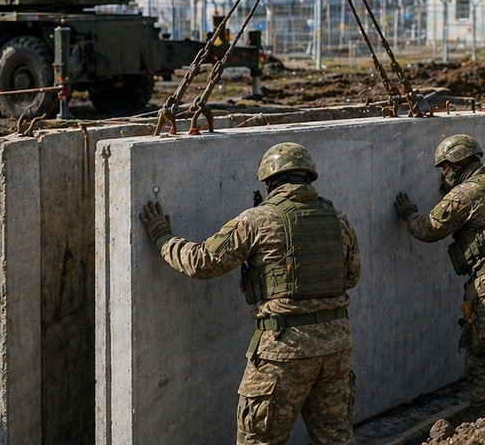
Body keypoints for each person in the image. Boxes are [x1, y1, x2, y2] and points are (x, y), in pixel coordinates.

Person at [139, 143, 359, 445]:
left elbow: (201, 262)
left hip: (283, 350)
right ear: (309, 178)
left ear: (269, 182)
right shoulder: (339, 219)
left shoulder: (256, 220)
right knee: (336, 439)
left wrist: (162, 237)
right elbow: (351, 277)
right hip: (336, 346)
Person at [393, 134, 485, 423]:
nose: (443, 174)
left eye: (445, 167)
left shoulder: (466, 193)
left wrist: (409, 214)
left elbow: (428, 229)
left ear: (459, 163)